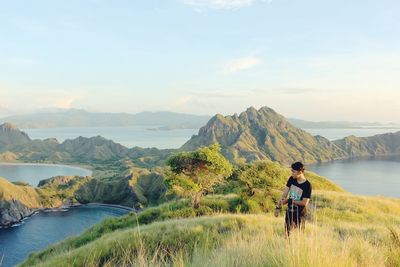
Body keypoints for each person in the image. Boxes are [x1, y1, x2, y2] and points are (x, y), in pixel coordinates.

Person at [274, 162, 312, 236]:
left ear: (300, 172)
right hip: (290, 211)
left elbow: (304, 203)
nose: (292, 173)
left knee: (298, 235)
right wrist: (277, 207)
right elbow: (284, 194)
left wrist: (289, 200)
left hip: (300, 214)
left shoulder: (307, 185)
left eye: (293, 171)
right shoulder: (292, 179)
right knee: (287, 235)